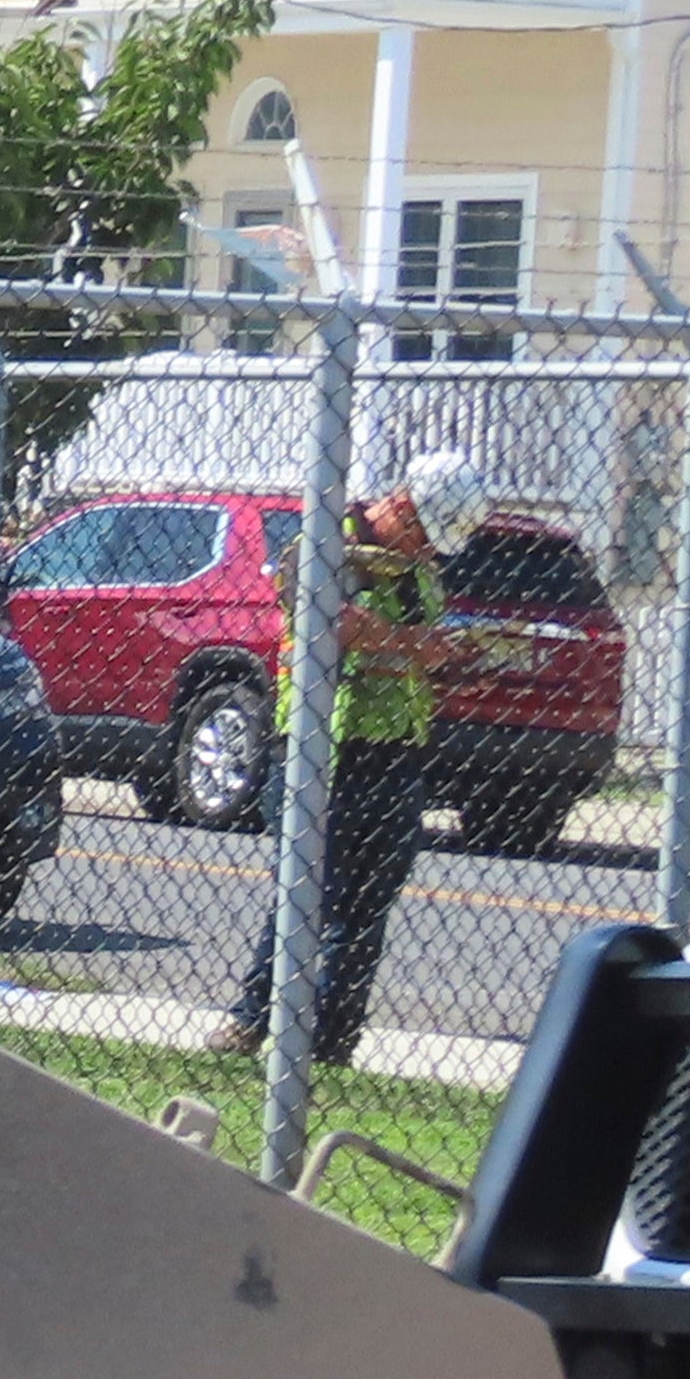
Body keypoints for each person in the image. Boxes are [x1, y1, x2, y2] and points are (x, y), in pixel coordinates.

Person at [217, 451, 479, 1066]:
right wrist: (415, 645)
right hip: (319, 749)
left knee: (366, 909)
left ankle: (332, 1042)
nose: (424, 552)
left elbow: (394, 644)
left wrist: (443, 657)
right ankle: (252, 1022)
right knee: (310, 894)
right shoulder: (326, 541)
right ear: (400, 505)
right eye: (420, 536)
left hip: (396, 754)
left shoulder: (420, 572)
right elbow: (332, 623)